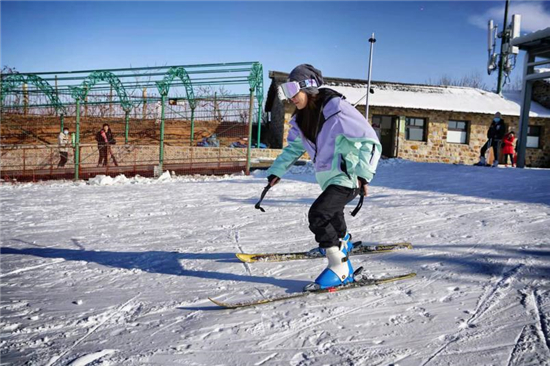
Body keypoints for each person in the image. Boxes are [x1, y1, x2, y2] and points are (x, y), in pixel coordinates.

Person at [265, 64, 382, 290]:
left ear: (307, 87)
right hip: (329, 179)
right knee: (333, 214)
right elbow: (293, 149)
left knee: (318, 214)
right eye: (285, 92)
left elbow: (371, 140)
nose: (290, 98)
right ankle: (342, 242)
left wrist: (364, 175)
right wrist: (277, 171)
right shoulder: (301, 119)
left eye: (292, 90)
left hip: (348, 177)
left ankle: (339, 266)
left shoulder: (337, 108)